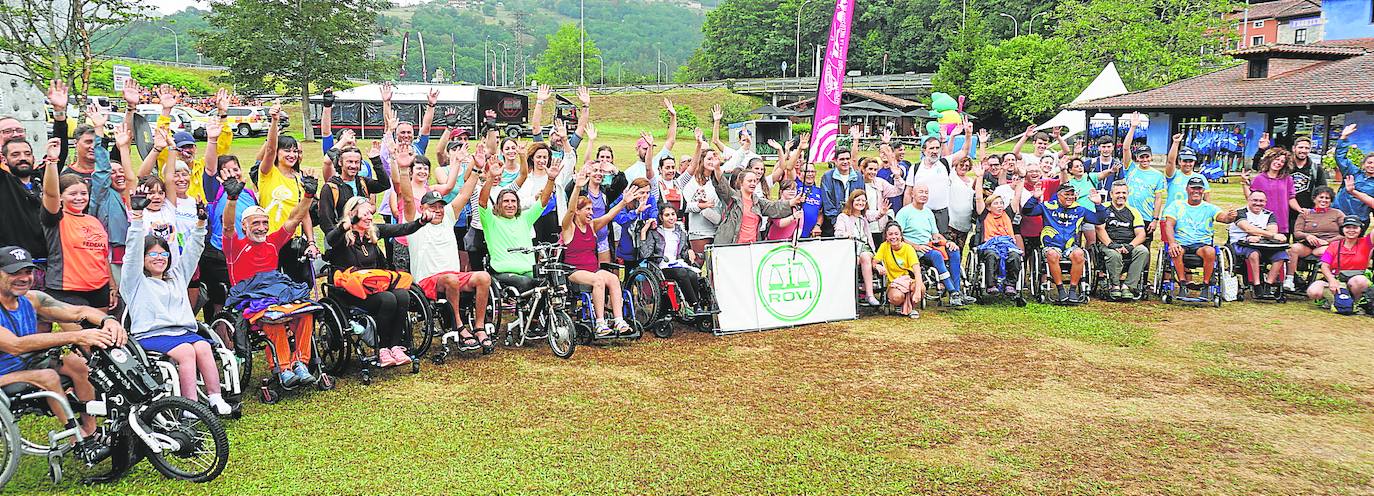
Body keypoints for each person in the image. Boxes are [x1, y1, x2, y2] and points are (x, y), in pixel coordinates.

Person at [0, 246, 125, 461]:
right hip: (4, 374)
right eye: (14, 273)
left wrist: (109, 321)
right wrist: (76, 337)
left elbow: (78, 311)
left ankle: (90, 432)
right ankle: (78, 440)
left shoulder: (31, 299)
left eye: (27, 272)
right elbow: (16, 345)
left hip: (27, 364)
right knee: (47, 376)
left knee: (77, 363)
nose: (23, 278)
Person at [121, 196, 231, 415]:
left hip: (182, 331)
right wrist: (136, 218)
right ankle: (190, 404)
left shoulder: (176, 276)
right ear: (143, 259)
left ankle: (215, 397)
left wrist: (201, 223)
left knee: (203, 347)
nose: (159, 258)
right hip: (151, 334)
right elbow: (131, 253)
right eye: (152, 254)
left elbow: (193, 251)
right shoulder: (135, 281)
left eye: (163, 254)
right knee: (186, 352)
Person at [324, 149, 429, 367]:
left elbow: (401, 228)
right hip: (350, 292)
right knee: (388, 299)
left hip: (375, 286)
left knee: (402, 295)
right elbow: (331, 239)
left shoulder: (373, 231)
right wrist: (347, 223)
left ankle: (394, 346)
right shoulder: (343, 235)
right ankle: (381, 348)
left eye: (370, 213)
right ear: (352, 214)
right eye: (364, 213)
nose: (369, 216)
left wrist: (421, 222)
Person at [221, 176, 318, 386]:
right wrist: (232, 199)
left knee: (306, 314)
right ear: (244, 227)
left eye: (265, 222)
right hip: (251, 298)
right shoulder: (234, 247)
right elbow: (227, 226)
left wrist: (308, 196)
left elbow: (294, 218)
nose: (262, 227)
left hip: (278, 292)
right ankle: (283, 368)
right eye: (256, 223)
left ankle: (301, 362)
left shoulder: (273, 242)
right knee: (272, 317)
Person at [408, 168, 496, 351]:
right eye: (433, 207)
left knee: (483, 277)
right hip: (428, 281)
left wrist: (476, 170)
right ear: (422, 208)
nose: (438, 210)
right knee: (452, 279)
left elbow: (464, 193)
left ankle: (479, 327)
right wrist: (402, 169)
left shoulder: (448, 217)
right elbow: (408, 199)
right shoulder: (415, 224)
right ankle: (458, 324)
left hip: (453, 276)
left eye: (440, 206)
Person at [41, 145, 114, 326]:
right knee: (82, 342)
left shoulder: (93, 221)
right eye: (72, 194)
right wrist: (51, 162)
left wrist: (112, 286)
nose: (79, 198)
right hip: (67, 290)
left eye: (83, 193)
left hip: (99, 289)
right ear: (60, 197)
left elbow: (103, 256)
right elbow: (50, 193)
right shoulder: (55, 218)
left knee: (100, 344)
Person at [563, 170, 640, 338]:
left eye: (592, 209)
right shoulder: (569, 227)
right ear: (578, 211)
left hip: (592, 269)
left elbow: (609, 216)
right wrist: (577, 187)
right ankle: (600, 322)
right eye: (588, 210)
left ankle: (618, 320)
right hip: (574, 271)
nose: (591, 212)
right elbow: (569, 211)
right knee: (598, 280)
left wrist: (622, 203)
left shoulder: (592, 226)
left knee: (613, 278)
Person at [1021, 182, 1107, 304]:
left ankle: (1072, 291)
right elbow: (1027, 211)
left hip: (1070, 246)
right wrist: (1034, 198)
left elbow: (1099, 219)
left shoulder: (1079, 210)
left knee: (1079, 254)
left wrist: (1098, 204)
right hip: (1051, 246)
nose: (1070, 197)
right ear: (1058, 195)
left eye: (1072, 195)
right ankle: (1061, 290)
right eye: (1067, 194)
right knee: (1052, 255)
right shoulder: (1048, 206)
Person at [1162, 177, 1240, 300]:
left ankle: (1205, 284)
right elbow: (1169, 224)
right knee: (1176, 251)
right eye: (1193, 188)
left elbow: (1223, 218)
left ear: (1203, 190)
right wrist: (1172, 243)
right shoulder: (1176, 205)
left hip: (1201, 244)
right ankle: (1183, 283)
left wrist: (1230, 217)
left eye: (1199, 188)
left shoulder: (1209, 208)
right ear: (1187, 189)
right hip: (1182, 242)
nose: (1196, 191)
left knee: (1210, 251)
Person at [896, 184, 969, 306]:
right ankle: (952, 291)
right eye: (921, 192)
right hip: (915, 249)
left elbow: (935, 234)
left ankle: (957, 292)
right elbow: (898, 237)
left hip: (930, 245)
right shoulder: (904, 213)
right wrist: (916, 246)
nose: (924, 195)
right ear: (913, 194)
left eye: (926, 192)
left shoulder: (928, 212)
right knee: (936, 255)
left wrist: (948, 242)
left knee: (955, 251)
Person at [637, 205, 710, 316]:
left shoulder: (680, 232)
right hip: (661, 266)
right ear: (661, 218)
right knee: (682, 272)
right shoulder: (655, 233)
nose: (671, 217)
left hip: (678, 264)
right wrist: (643, 233)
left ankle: (696, 305)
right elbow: (645, 254)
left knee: (692, 274)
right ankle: (695, 305)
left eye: (673, 214)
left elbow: (683, 252)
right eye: (667, 215)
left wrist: (690, 251)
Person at [906, 121, 973, 235]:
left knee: (941, 243)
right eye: (931, 148)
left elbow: (964, 152)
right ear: (924, 150)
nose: (935, 151)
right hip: (921, 211)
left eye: (937, 148)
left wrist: (968, 135)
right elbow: (908, 192)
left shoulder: (945, 163)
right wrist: (908, 213)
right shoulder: (915, 168)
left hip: (942, 213)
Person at [711, 159, 800, 245]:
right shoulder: (733, 197)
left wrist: (792, 202)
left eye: (755, 181)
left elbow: (773, 207)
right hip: (733, 245)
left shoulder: (757, 201)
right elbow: (723, 185)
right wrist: (717, 168)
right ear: (741, 183)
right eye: (750, 181)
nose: (753, 183)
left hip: (752, 246)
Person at [1229, 190, 1289, 299]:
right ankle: (1257, 285)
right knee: (1254, 254)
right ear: (1248, 200)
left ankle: (1268, 285)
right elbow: (1247, 228)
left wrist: (1260, 237)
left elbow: (1272, 231)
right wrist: (1269, 235)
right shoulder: (1240, 213)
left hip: (1263, 244)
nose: (1258, 203)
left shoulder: (1269, 215)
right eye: (1255, 200)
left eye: (1261, 201)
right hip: (1241, 244)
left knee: (1281, 255)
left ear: (1265, 202)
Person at [1095, 181, 1150, 300]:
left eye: (1124, 193)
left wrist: (1130, 246)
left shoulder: (1133, 211)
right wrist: (1112, 245)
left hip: (1128, 244)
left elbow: (1141, 234)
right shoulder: (1104, 208)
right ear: (1111, 194)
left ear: (1128, 194)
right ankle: (1115, 285)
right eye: (1117, 193)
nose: (1121, 195)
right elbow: (1099, 229)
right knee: (1114, 255)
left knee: (1143, 251)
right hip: (1109, 244)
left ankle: (1128, 286)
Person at [972, 167, 1022, 295]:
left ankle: (1010, 284)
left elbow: (1017, 197)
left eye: (1001, 203)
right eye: (996, 203)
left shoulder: (1008, 214)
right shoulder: (984, 215)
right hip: (990, 245)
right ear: (989, 207)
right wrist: (979, 177)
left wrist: (1021, 178)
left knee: (1015, 256)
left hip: (1008, 245)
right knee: (992, 255)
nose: (999, 206)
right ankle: (991, 284)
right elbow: (978, 197)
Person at [1305, 215, 1373, 307]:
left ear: (1361, 229)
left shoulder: (1366, 242)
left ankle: (1357, 304)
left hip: (1356, 279)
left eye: (1355, 227)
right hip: (1337, 278)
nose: (1351, 230)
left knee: (1359, 281)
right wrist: (1332, 280)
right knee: (1313, 291)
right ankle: (1337, 302)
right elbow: (1324, 266)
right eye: (1348, 227)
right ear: (1342, 229)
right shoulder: (1334, 245)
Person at [1287, 186, 1345, 291]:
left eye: (1327, 198)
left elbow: (1344, 233)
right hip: (1308, 244)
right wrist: (1307, 236)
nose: (1324, 200)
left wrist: (1327, 242)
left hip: (1328, 244)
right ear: (1314, 199)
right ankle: (1290, 279)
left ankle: (1328, 279)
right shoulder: (1305, 214)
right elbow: (1297, 233)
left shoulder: (1337, 214)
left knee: (1321, 252)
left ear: (1331, 200)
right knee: (1294, 248)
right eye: (1321, 197)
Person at [835, 190, 881, 305]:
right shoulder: (843, 217)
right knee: (854, 260)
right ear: (852, 201)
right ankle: (847, 293)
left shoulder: (865, 216)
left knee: (865, 257)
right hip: (851, 247)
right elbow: (838, 233)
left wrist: (883, 212)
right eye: (858, 200)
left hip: (865, 248)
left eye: (863, 201)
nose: (861, 203)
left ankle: (869, 295)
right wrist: (847, 235)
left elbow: (877, 215)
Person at [1241, 147, 1299, 236]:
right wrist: (1244, 183)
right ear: (1270, 160)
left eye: (1282, 161)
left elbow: (1291, 198)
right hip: (1263, 220)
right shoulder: (1259, 179)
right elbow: (1250, 198)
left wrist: (1299, 209)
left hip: (1281, 220)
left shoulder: (1287, 179)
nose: (1279, 163)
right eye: (1277, 159)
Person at [873, 223, 924, 318]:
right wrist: (877, 266)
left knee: (920, 288)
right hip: (894, 283)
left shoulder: (908, 248)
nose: (893, 237)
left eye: (896, 234)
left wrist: (917, 291)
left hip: (909, 280)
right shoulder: (884, 246)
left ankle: (911, 307)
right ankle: (901, 305)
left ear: (901, 235)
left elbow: (917, 271)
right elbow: (874, 261)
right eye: (890, 234)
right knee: (896, 297)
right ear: (886, 236)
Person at [819, 142, 864, 237]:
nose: (845, 162)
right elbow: (827, 202)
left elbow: (861, 197)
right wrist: (837, 221)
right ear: (835, 161)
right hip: (832, 223)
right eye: (842, 159)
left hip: (854, 220)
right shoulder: (827, 177)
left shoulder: (858, 176)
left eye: (847, 159)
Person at [1333, 124, 1374, 224]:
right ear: (1363, 164)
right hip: (1337, 214)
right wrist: (1344, 137)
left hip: (1359, 219)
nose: (1372, 166)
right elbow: (1340, 158)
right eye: (1369, 162)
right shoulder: (1353, 172)